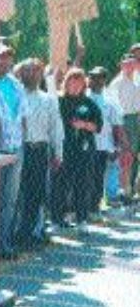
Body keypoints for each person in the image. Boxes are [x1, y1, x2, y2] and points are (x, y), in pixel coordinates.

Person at [14, 58, 63, 249]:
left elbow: (55, 128)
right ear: (21, 73)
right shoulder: (16, 96)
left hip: (41, 149)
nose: (32, 74)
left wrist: (58, 152)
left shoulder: (48, 99)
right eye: (27, 70)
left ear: (41, 74)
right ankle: (17, 233)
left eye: (35, 71)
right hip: (21, 148)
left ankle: (32, 233)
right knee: (19, 193)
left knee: (37, 192)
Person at [52, 68, 103, 228]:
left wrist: (85, 125)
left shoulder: (89, 104)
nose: (75, 86)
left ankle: (82, 219)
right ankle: (57, 219)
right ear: (66, 83)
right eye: (72, 82)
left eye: (79, 83)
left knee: (83, 184)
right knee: (61, 184)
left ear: (83, 85)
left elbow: (98, 126)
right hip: (63, 149)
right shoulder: (58, 101)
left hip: (84, 150)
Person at [0, 43, 26, 258]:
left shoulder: (15, 84)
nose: (4, 61)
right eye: (0, 57)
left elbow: (22, 118)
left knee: (10, 199)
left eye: (8, 57)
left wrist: (24, 144)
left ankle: (4, 243)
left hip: (16, 148)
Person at [87, 66, 127, 213]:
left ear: (104, 80)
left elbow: (116, 126)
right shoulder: (84, 96)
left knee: (98, 178)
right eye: (91, 76)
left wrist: (116, 147)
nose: (93, 80)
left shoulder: (110, 100)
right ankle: (84, 208)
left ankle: (95, 207)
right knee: (85, 179)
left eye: (97, 77)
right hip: (85, 146)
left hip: (104, 146)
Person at [107, 55, 140, 200]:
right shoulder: (117, 83)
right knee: (122, 156)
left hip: (134, 119)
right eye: (127, 64)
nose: (130, 67)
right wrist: (117, 125)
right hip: (122, 119)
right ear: (121, 65)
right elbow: (113, 107)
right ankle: (120, 191)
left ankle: (128, 190)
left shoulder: (136, 81)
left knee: (131, 155)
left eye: (132, 64)